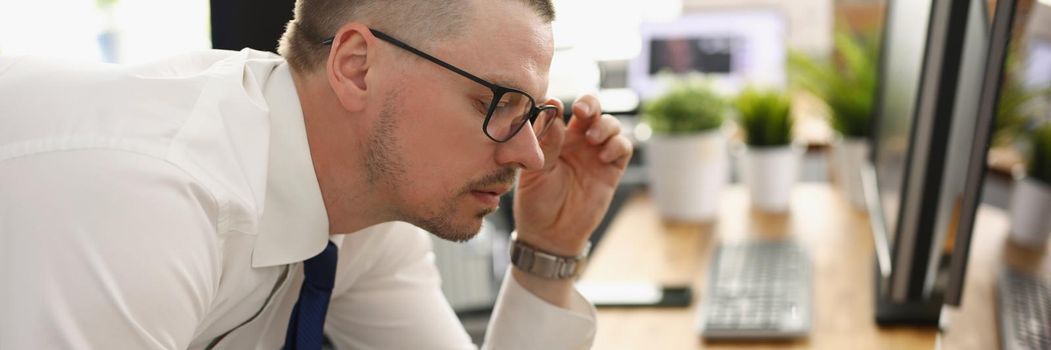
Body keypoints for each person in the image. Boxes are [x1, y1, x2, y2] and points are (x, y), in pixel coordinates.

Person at [0, 0, 633, 349]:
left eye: (535, 114)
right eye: (496, 103)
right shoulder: (152, 198)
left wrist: (548, 248)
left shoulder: (365, 215)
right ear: (357, 66)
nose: (532, 156)